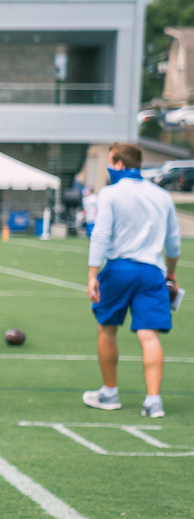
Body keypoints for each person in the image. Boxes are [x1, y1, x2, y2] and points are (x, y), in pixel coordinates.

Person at [83, 142, 181, 418]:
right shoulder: (162, 195)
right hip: (153, 271)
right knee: (150, 336)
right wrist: (171, 272)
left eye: (110, 161)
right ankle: (153, 401)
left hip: (119, 268)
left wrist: (92, 273)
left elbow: (101, 234)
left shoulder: (110, 193)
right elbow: (173, 242)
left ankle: (109, 393)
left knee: (107, 329)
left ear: (118, 164)